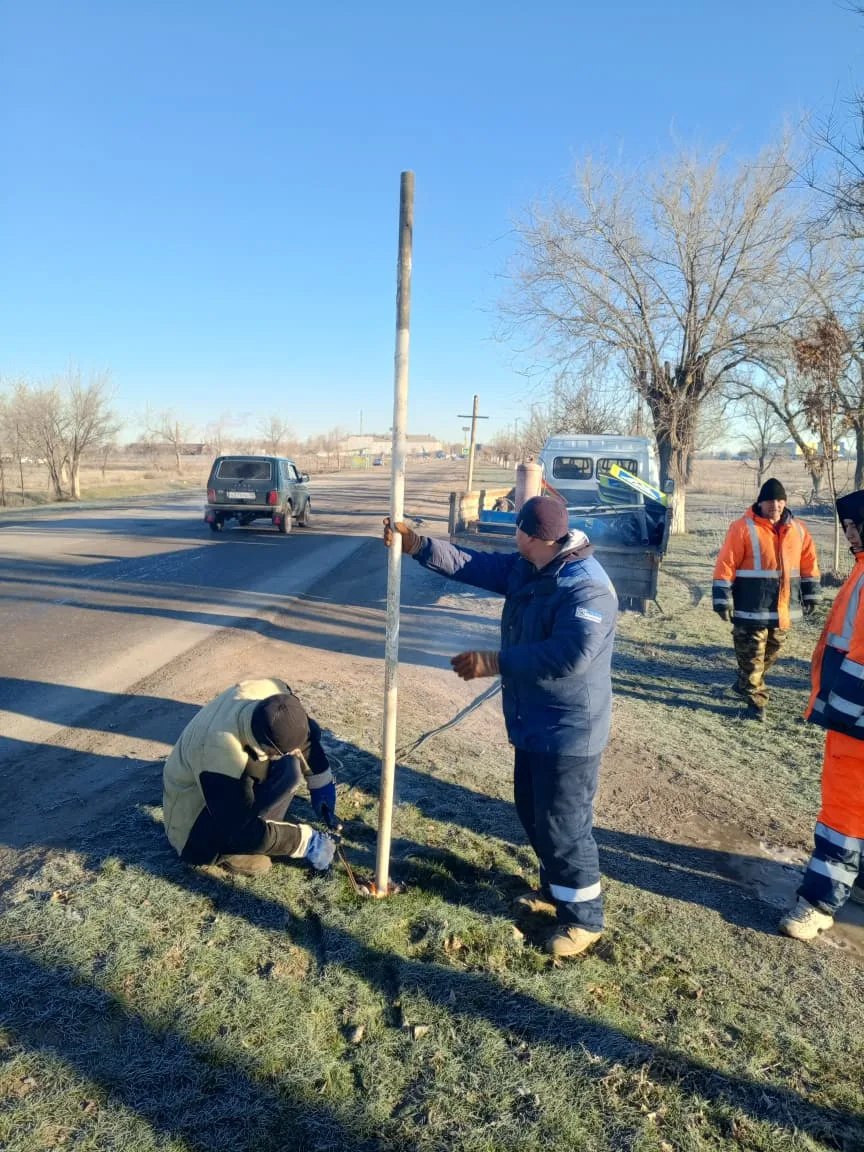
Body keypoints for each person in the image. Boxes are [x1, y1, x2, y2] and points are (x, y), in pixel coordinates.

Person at [384, 494, 618, 958]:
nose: (514, 537)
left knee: (563, 823)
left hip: (569, 728)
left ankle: (585, 919)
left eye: (517, 530)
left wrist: (495, 661)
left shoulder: (585, 586)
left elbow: (570, 656)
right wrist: (416, 545)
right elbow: (474, 564)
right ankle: (556, 892)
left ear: (532, 535)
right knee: (533, 811)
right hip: (534, 720)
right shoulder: (533, 566)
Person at [779, 490, 864, 940]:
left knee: (844, 815)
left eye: (852, 525)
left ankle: (818, 904)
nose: (847, 532)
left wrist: (842, 714)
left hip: (857, 725)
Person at [162, 677, 339, 877]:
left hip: (224, 775)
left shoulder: (274, 696)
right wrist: (304, 842)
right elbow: (238, 829)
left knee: (290, 771)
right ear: (267, 747)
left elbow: (303, 738)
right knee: (251, 848)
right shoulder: (221, 756)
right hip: (191, 822)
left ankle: (264, 827)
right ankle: (231, 852)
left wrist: (321, 783)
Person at [712, 477, 821, 721]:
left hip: (783, 611)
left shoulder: (799, 530)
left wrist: (811, 593)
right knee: (753, 659)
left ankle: (744, 685)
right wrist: (722, 598)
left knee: (769, 655)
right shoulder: (742, 527)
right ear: (760, 503)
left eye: (780, 500)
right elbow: (726, 564)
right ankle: (756, 703)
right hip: (750, 609)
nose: (776, 505)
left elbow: (809, 563)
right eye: (770, 500)